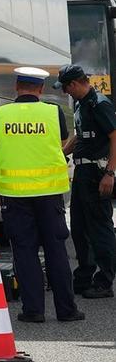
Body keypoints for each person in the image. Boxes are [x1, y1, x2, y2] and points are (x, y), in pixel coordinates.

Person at [0, 66, 84, 323]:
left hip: (14, 196)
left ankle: (33, 310)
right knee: (56, 250)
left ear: (16, 87)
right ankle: (66, 310)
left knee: (25, 251)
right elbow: (62, 144)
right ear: (40, 89)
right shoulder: (53, 113)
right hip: (49, 194)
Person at [56, 63, 116, 299]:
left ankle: (104, 281)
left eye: (65, 88)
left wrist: (109, 174)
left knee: (100, 229)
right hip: (82, 176)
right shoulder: (81, 104)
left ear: (74, 84)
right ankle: (84, 277)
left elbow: (114, 138)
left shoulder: (99, 104)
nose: (65, 92)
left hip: (97, 175)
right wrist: (62, 153)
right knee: (79, 229)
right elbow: (81, 136)